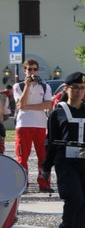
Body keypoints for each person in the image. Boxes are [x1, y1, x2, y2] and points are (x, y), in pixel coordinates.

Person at [45, 72, 85, 228]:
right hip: (66, 162)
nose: (78, 91)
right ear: (66, 89)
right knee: (75, 197)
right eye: (74, 87)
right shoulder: (58, 112)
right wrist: (46, 166)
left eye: (82, 88)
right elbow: (51, 141)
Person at [11, 58, 52, 193]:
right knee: (22, 156)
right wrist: (28, 86)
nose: (32, 72)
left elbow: (47, 105)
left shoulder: (45, 86)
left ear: (38, 70)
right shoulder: (19, 86)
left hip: (40, 125)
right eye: (29, 69)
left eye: (34, 69)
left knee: (43, 156)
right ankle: (23, 184)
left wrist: (28, 106)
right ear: (25, 71)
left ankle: (44, 184)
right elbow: (20, 105)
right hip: (24, 125)